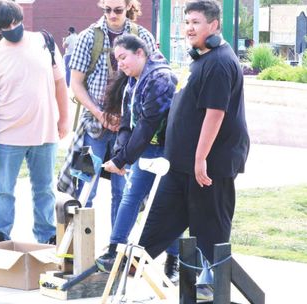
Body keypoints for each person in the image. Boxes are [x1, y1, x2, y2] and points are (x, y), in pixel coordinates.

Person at [138, 0, 250, 269]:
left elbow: (215, 113)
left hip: (208, 166)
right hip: (181, 165)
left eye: (196, 22)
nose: (189, 28)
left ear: (214, 25)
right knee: (157, 225)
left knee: (209, 234)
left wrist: (201, 158)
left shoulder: (220, 62)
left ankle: (210, 287)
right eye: (186, 22)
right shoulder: (203, 58)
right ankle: (129, 270)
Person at [90, 34, 182, 283]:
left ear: (140, 53)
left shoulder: (161, 78)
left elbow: (148, 125)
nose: (120, 64)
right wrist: (120, 155)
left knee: (166, 208)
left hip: (167, 151)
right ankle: (114, 251)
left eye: (123, 57)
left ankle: (175, 261)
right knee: (130, 198)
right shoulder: (133, 81)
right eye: (116, 59)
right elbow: (127, 123)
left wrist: (122, 161)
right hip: (146, 151)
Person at [0, 0, 69, 244]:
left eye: (16, 22)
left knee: (44, 188)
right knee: (3, 189)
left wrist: (64, 119)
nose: (13, 28)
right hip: (7, 136)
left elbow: (60, 82)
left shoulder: (44, 41)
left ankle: (47, 234)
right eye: (7, 26)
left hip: (45, 133)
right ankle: (0, 234)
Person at [57, 0, 157, 228]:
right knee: (84, 188)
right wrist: (100, 114)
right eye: (107, 10)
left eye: (118, 10)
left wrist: (127, 117)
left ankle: (115, 248)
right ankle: (78, 248)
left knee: (123, 193)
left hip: (129, 128)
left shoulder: (142, 36)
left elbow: (155, 77)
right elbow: (77, 84)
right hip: (93, 127)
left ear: (129, 7)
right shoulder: (88, 37)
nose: (112, 15)